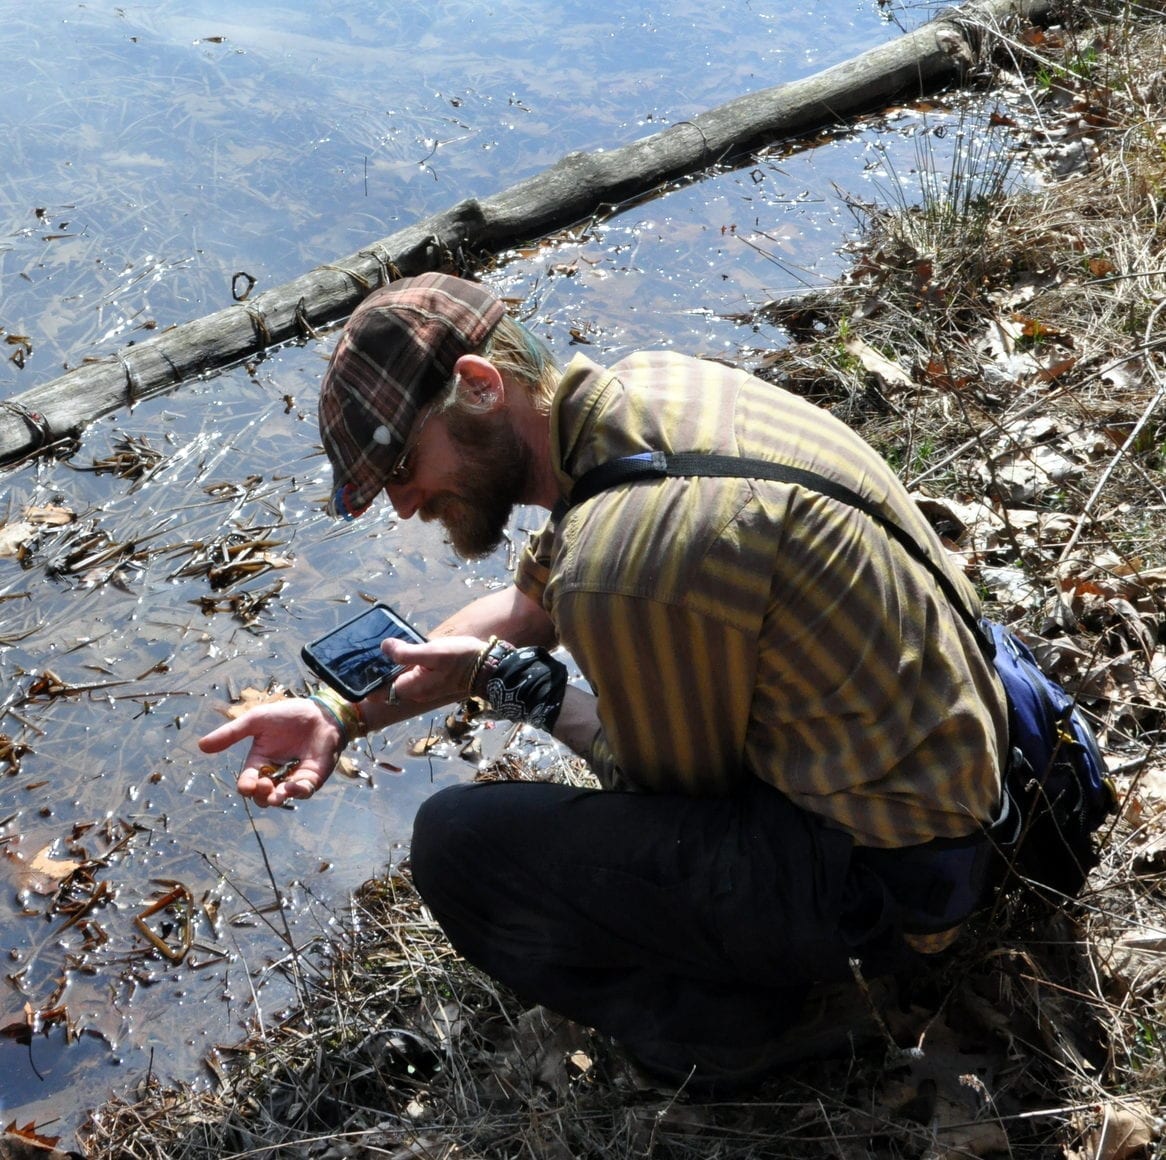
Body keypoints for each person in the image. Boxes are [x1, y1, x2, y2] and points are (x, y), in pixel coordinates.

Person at [199, 271, 1009, 1091]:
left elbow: (661, 795)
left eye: (403, 464)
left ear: (480, 387)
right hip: (975, 773)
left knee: (460, 847)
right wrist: (343, 712)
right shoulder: (649, 392)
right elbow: (524, 608)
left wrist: (530, 693)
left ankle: (754, 1031)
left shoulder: (620, 559)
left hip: (902, 886)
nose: (404, 506)